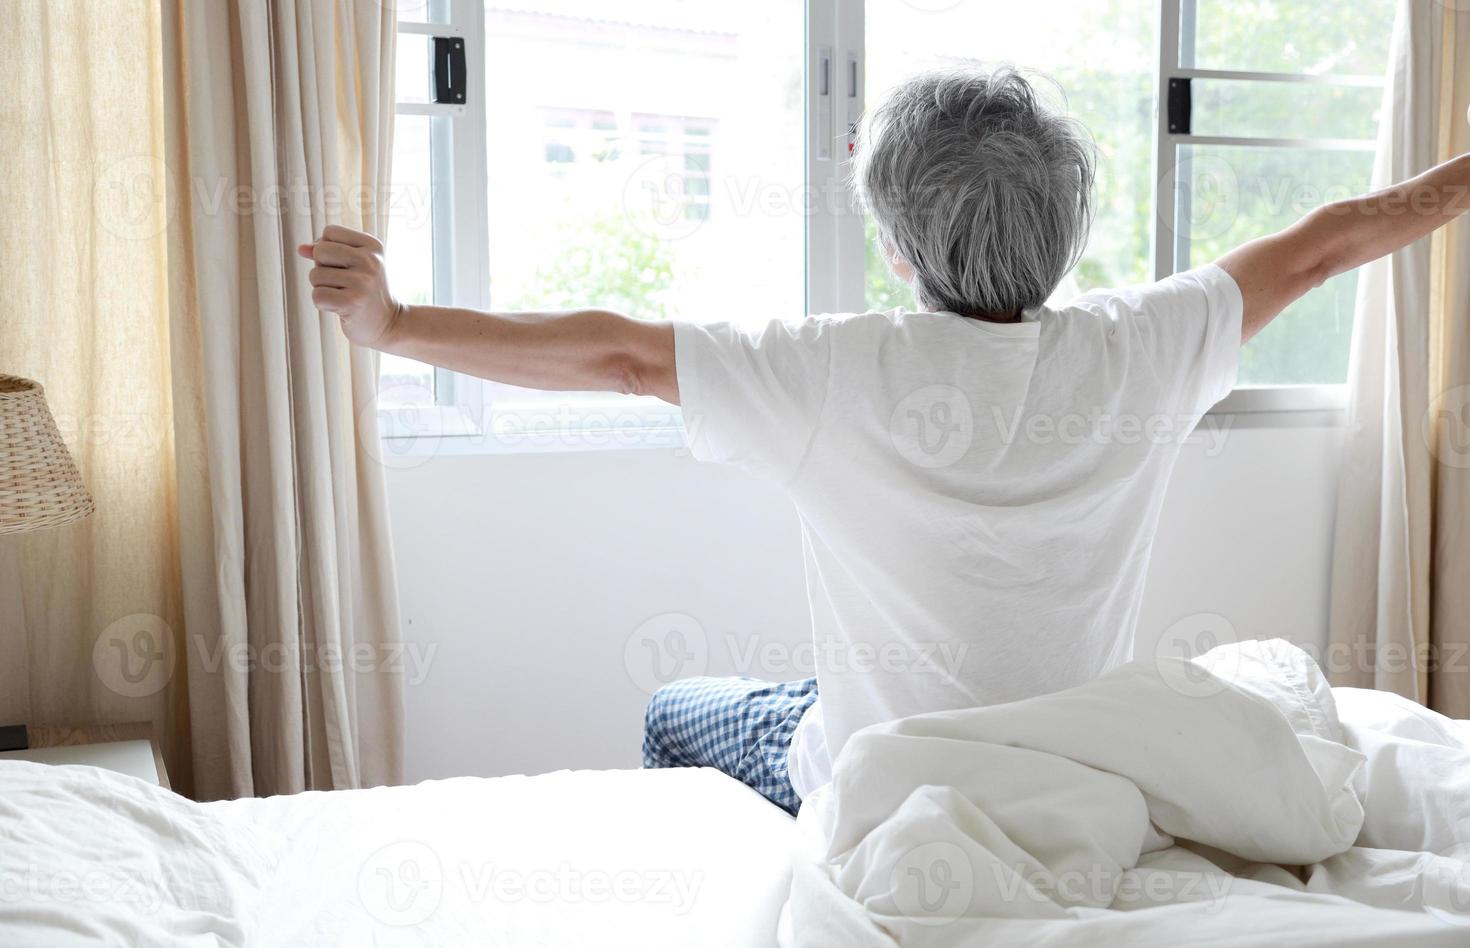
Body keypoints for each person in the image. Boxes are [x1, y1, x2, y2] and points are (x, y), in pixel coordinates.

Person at [300, 67, 1470, 816]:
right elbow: (1322, 244)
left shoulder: (836, 368)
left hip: (887, 770)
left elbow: (617, 351)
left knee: (675, 708)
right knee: (806, 682)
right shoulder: (1145, 344)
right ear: (1065, 233)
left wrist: (394, 323)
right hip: (1075, 758)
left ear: (903, 251)